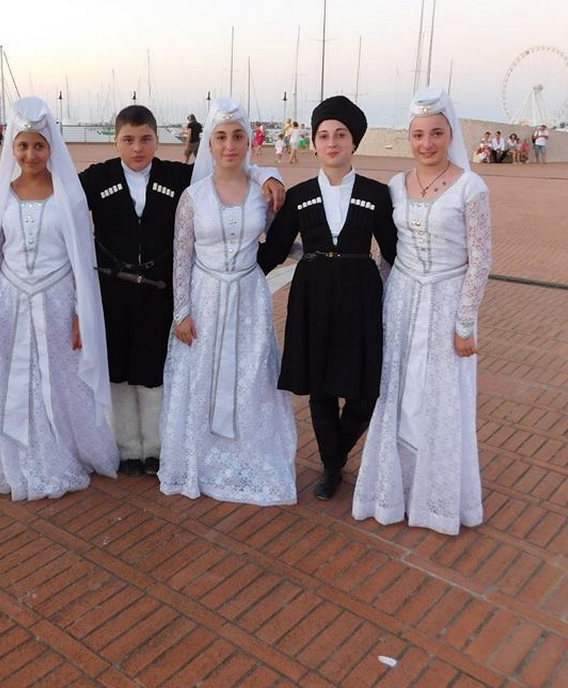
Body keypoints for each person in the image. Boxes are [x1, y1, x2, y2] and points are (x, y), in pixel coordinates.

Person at [79, 105, 285, 478]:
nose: (137, 148)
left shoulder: (180, 177)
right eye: (128, 140)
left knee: (156, 367)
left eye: (145, 139)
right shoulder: (96, 178)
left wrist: (270, 173)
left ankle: (157, 446)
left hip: (161, 290)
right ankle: (127, 446)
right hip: (112, 289)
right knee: (120, 369)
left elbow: (229, 166)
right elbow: (54, 192)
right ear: (116, 141)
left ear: (158, 139)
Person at [352, 87, 492, 535]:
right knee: (398, 390)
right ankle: (394, 490)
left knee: (439, 395)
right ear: (408, 138)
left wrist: (464, 322)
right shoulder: (396, 185)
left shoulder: (472, 187)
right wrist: (379, 297)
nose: (426, 143)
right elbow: (390, 252)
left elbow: (481, 259)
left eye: (435, 133)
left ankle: (437, 497)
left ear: (451, 134)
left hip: (447, 301)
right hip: (403, 300)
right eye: (417, 135)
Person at [0, 96, 118, 500]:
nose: (30, 154)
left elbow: (81, 262)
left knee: (58, 379)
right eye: (22, 145)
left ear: (51, 148)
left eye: (39, 145)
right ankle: (18, 455)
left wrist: (82, 314)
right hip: (13, 305)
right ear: (12, 146)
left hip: (57, 301)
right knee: (16, 380)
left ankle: (62, 451)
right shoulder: (2, 199)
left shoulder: (70, 197)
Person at [159, 97, 297, 506]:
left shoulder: (263, 192)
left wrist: (270, 174)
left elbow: (274, 236)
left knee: (250, 376)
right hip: (204, 296)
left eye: (237, 136)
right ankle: (201, 458)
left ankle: (246, 454)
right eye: (221, 137)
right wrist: (181, 311)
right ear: (210, 144)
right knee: (202, 377)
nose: (230, 145)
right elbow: (182, 255)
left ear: (248, 141)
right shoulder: (194, 197)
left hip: (248, 299)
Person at [259, 96, 397, 501]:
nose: (332, 142)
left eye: (340, 135)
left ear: (354, 142)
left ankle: (336, 451)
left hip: (361, 295)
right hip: (313, 294)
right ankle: (331, 467)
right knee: (320, 387)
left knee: (364, 389)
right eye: (323, 135)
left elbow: (393, 252)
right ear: (313, 143)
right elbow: (269, 254)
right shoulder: (299, 197)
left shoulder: (378, 194)